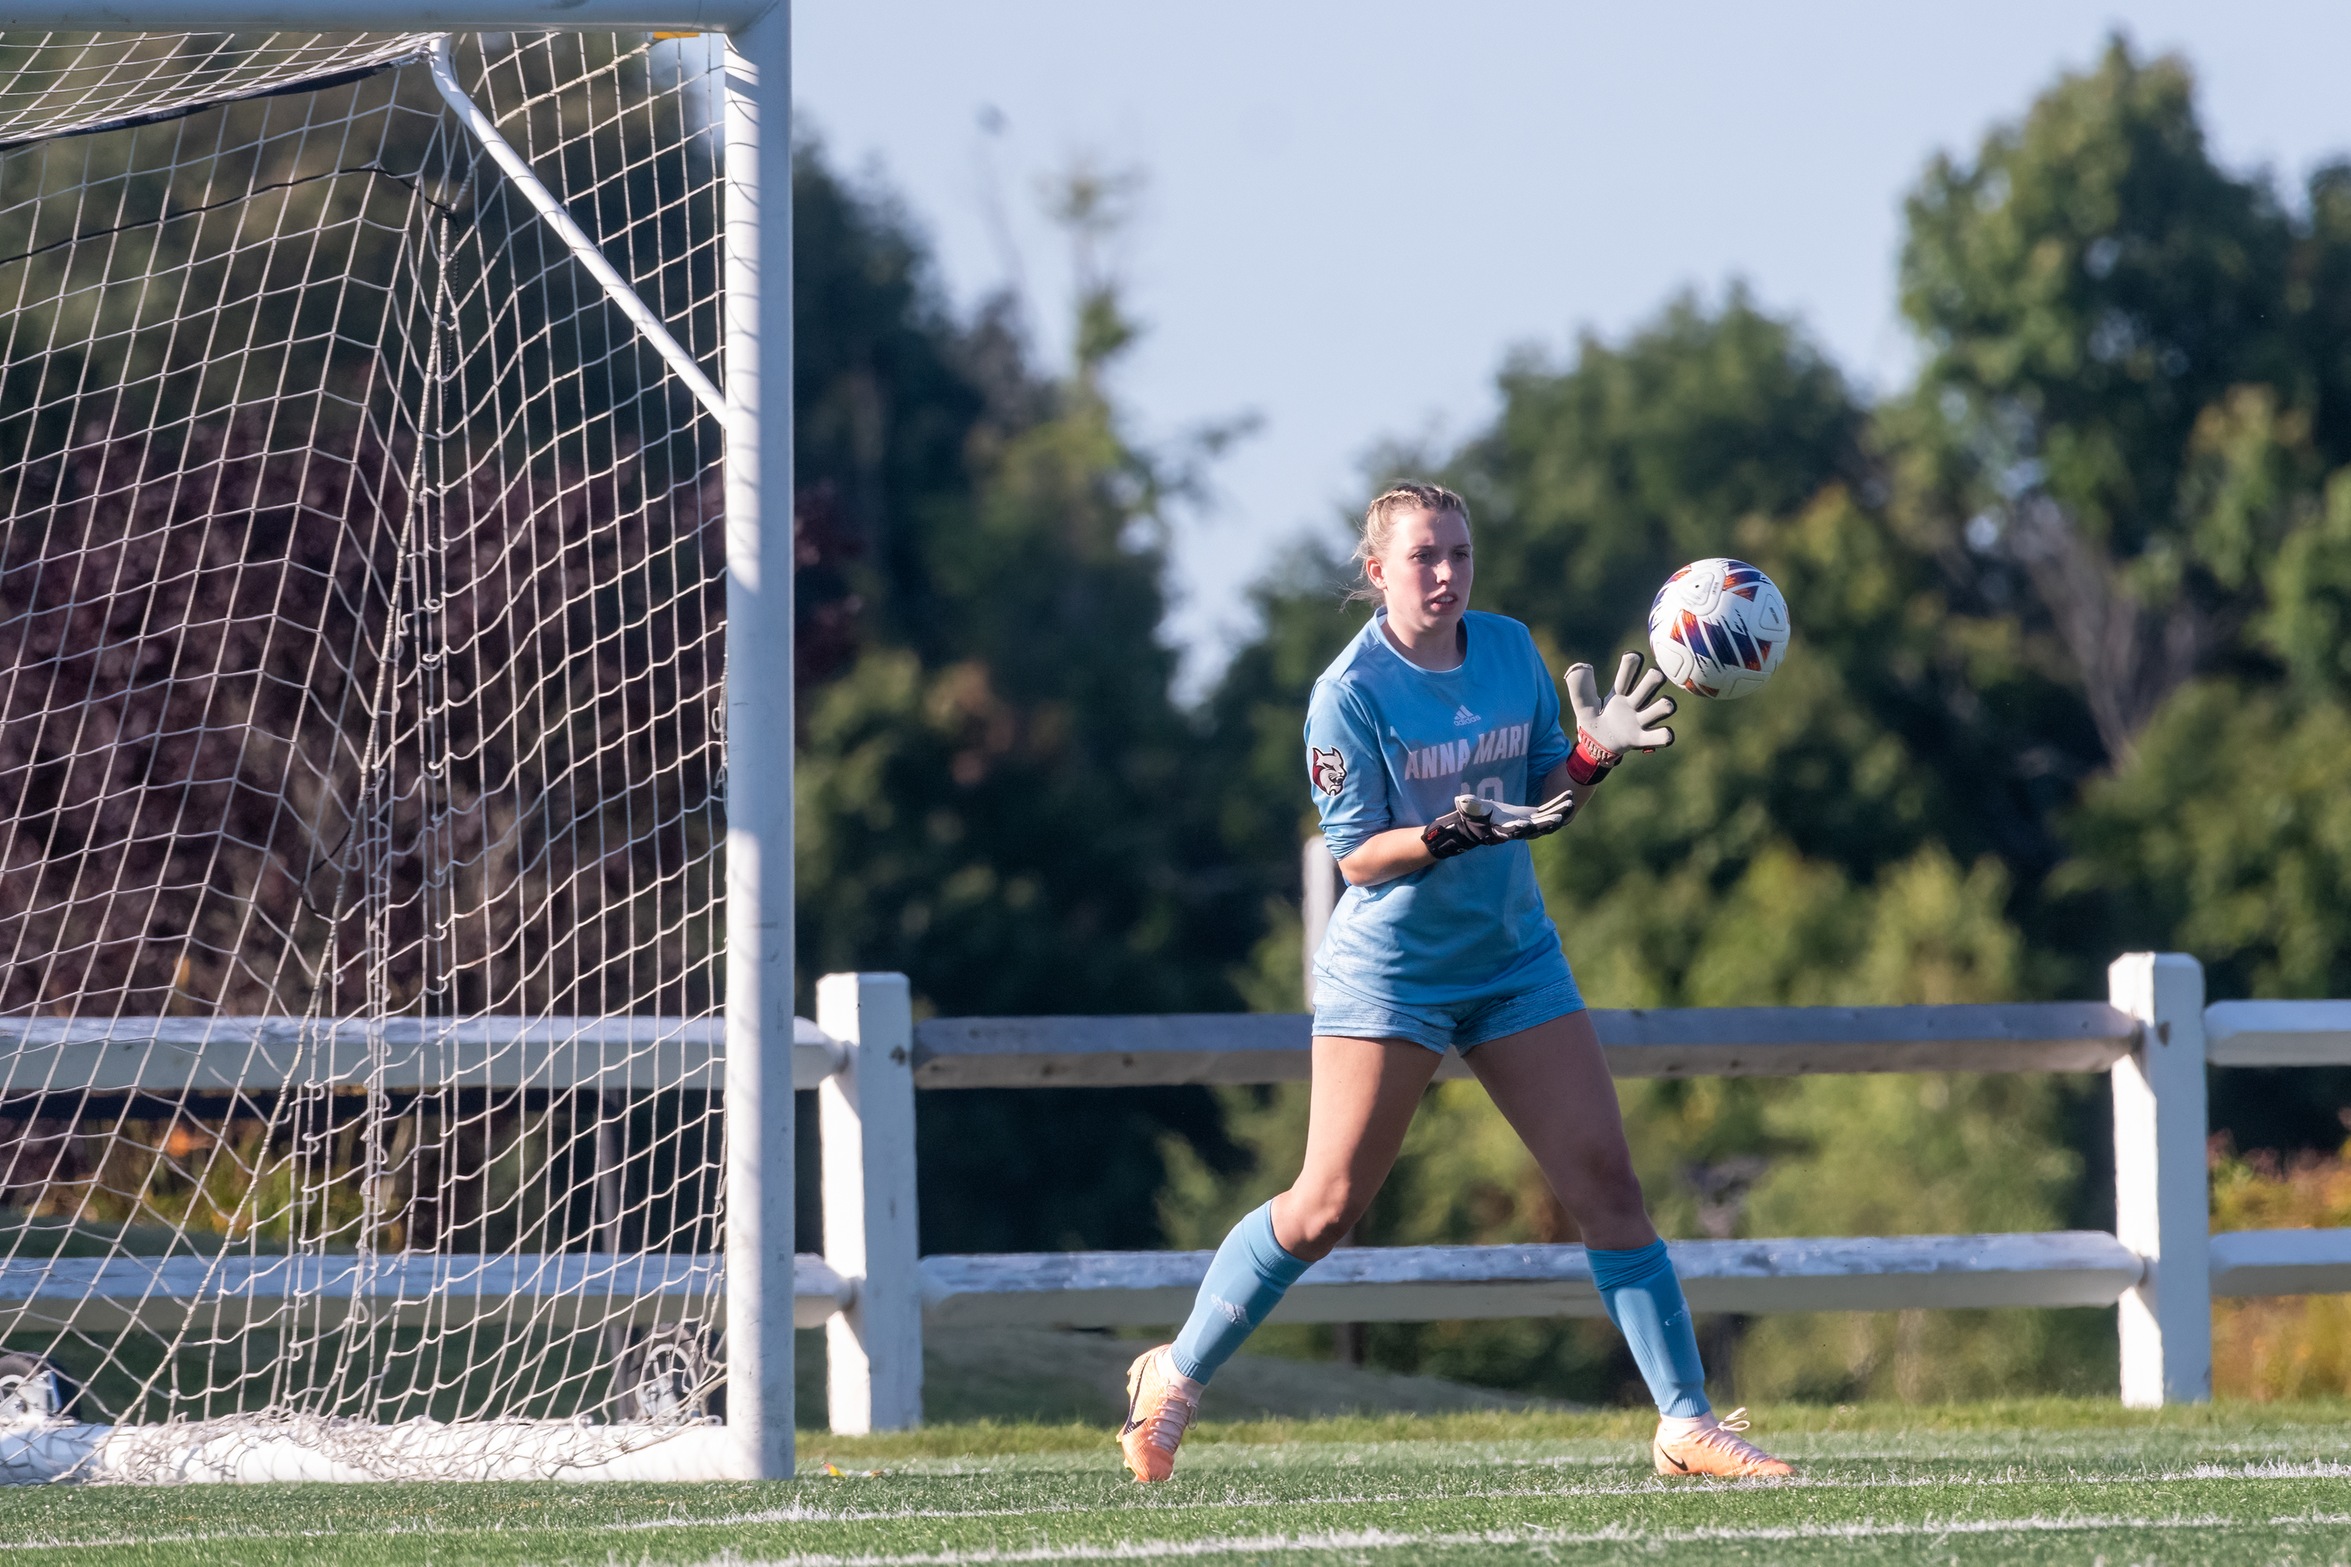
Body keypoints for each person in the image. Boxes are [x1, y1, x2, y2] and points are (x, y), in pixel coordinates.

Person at [1118, 482, 1793, 1483]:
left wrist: (1593, 756)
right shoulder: (1347, 693)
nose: (1445, 573)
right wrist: (1444, 830)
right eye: (1424, 556)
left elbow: (1539, 804)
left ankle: (1682, 1421)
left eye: (1460, 554)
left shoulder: (1510, 649)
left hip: (1511, 958)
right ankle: (1172, 1374)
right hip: (1392, 975)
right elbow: (1354, 858)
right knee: (1325, 1207)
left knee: (1606, 1184)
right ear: (1375, 570)